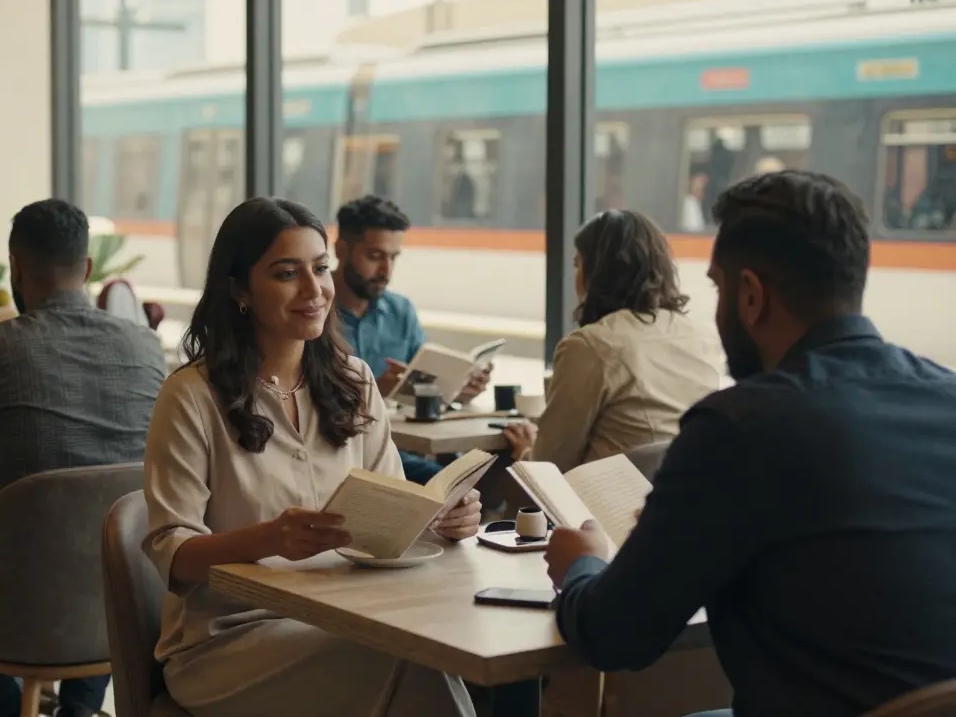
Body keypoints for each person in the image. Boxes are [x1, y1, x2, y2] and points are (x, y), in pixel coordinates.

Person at [544, 171, 956, 716]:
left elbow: (616, 636)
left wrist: (582, 564)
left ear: (752, 296)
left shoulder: (739, 428)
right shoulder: (946, 395)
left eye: (718, 288)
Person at [144, 196, 481, 717]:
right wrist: (269, 538)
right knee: (412, 662)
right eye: (286, 273)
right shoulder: (191, 396)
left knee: (433, 653)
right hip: (228, 642)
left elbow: (391, 523)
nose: (315, 289)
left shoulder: (355, 381)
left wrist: (440, 520)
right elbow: (172, 554)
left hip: (345, 620)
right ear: (238, 290)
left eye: (321, 268)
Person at [0, 199, 167, 717]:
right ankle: (79, 710)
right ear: (86, 269)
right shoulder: (145, 347)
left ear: (15, 269)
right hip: (130, 590)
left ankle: (2, 709)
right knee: (102, 552)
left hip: (17, 590)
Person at [502, 210, 723, 472]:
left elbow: (549, 465)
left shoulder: (590, 345)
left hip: (605, 505)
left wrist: (526, 450)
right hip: (680, 498)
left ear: (595, 273)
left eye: (578, 264)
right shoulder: (701, 336)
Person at [333, 195, 490, 485]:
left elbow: (423, 381)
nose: (386, 271)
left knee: (476, 473)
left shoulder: (400, 311)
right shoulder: (312, 312)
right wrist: (374, 392)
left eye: (393, 258)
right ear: (341, 249)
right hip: (344, 452)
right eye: (375, 256)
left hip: (401, 448)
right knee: (455, 483)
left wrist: (458, 389)